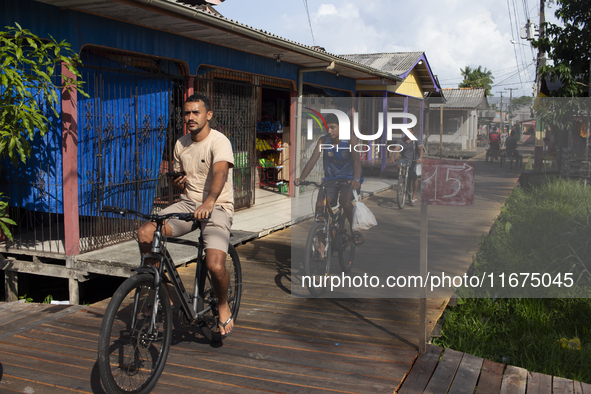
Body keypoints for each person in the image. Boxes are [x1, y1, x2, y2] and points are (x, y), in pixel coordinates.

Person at [137, 93, 236, 337]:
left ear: (208, 115)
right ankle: (166, 292)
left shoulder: (219, 141)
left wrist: (209, 202)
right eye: (186, 113)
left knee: (214, 263)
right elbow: (184, 185)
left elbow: (220, 174)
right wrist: (180, 183)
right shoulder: (181, 144)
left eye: (196, 112)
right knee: (146, 233)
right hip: (187, 204)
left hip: (218, 205)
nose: (190, 117)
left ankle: (223, 306)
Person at [294, 113, 364, 247]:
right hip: (331, 179)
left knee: (345, 200)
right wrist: (302, 177)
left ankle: (355, 229)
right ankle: (320, 242)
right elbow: (313, 159)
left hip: (349, 178)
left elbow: (356, 160)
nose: (329, 131)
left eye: (332, 127)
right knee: (320, 205)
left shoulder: (350, 139)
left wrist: (356, 179)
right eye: (327, 128)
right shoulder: (323, 140)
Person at [393, 128, 424, 206]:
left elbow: (421, 149)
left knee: (415, 177)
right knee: (398, 165)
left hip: (414, 160)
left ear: (412, 132)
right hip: (404, 159)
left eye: (409, 132)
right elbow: (396, 148)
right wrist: (393, 157)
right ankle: (402, 178)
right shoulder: (401, 140)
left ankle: (413, 195)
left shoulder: (416, 139)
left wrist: (420, 159)